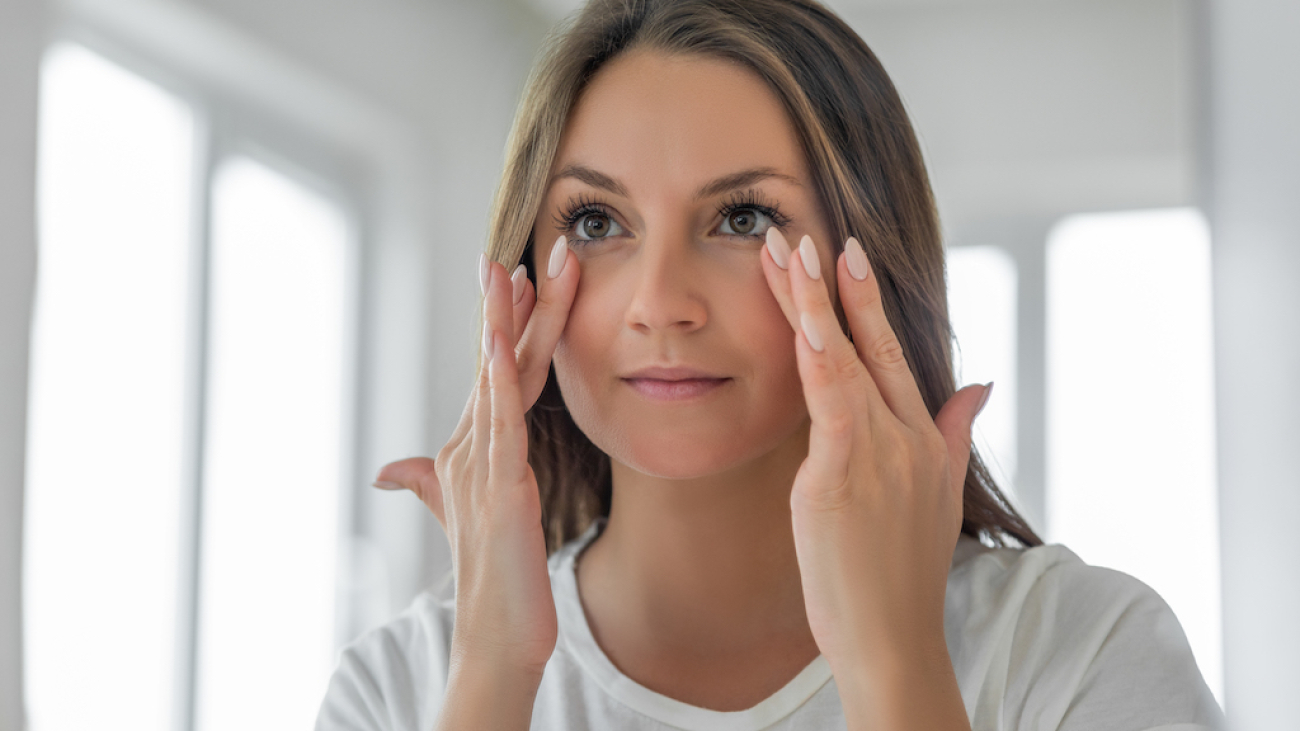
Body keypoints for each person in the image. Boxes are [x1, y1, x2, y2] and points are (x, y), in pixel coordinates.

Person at [315, 0, 1224, 728]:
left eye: (743, 218)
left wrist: (892, 661)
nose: (660, 299)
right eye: (596, 222)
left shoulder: (1086, 653)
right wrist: (493, 668)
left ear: (869, 259)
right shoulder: (398, 690)